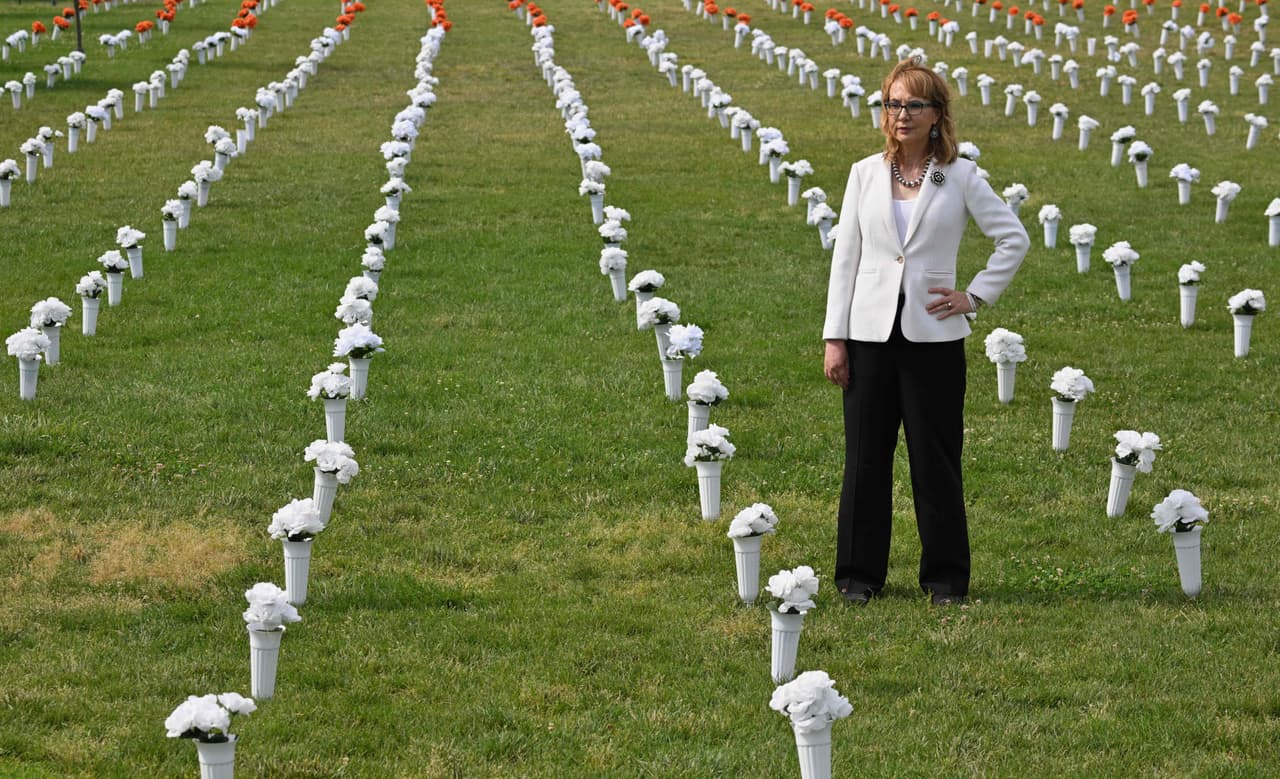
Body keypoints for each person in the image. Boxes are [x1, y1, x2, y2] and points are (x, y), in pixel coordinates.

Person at [822, 58, 1029, 606]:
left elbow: (1013, 239)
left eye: (914, 104)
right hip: (867, 336)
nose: (902, 114)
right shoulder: (864, 173)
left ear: (938, 114)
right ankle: (857, 577)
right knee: (865, 459)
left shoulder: (959, 176)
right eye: (892, 103)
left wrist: (974, 295)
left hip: (933, 339)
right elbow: (847, 259)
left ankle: (945, 581)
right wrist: (834, 338)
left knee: (935, 460)